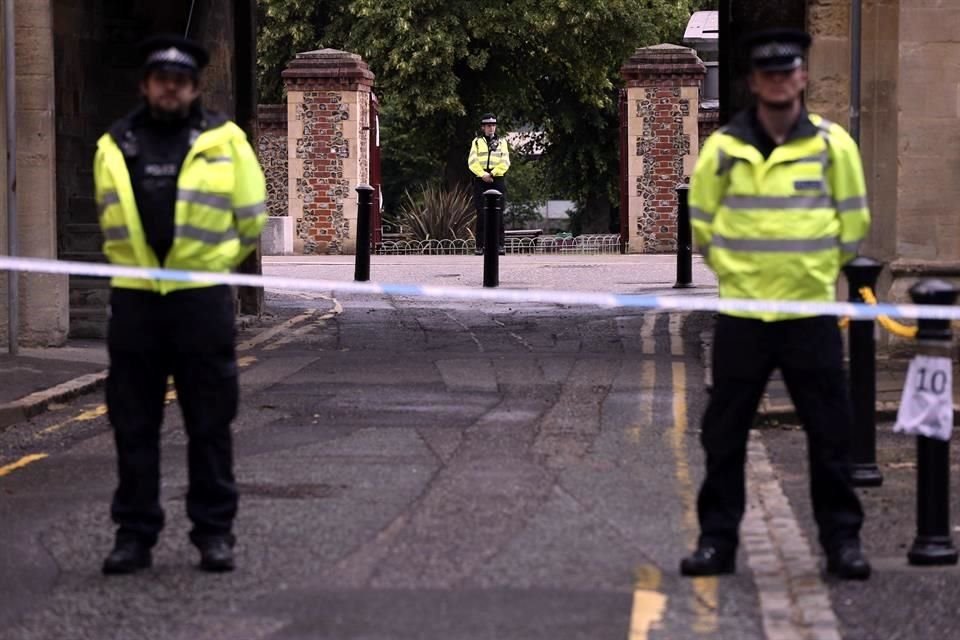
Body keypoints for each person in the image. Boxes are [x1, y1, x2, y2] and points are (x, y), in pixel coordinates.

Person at [680, 28, 872, 580]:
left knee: (831, 434)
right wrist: (739, 275)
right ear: (754, 83)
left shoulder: (834, 146)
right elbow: (704, 230)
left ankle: (843, 544)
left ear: (802, 78)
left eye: (788, 72)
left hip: (808, 313)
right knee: (724, 435)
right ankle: (717, 543)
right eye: (769, 74)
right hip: (743, 315)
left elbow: (852, 224)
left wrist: (813, 273)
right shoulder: (723, 150)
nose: (779, 82)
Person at [94, 34, 267, 574]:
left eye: (181, 81)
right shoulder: (113, 144)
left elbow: (251, 219)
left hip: (201, 301)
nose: (171, 88)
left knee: (209, 423)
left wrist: (212, 267)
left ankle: (214, 534)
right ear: (145, 85)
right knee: (133, 424)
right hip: (137, 304)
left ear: (194, 88)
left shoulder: (226, 140)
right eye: (161, 79)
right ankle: (133, 536)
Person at [468, 113, 510, 255]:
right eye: (488, 125)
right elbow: (472, 161)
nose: (491, 128)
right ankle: (480, 246)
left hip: (496, 178)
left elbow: (505, 161)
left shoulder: (502, 142)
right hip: (481, 179)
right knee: (481, 213)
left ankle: (500, 245)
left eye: (493, 125)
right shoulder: (477, 142)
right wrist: (483, 174)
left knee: (499, 213)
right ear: (483, 128)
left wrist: (493, 173)